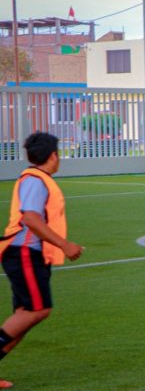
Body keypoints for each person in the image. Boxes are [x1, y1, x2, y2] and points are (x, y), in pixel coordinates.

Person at [0, 132, 84, 389]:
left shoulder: (39, 179)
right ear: (53, 155)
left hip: (32, 253)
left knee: (27, 313)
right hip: (24, 251)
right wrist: (64, 244)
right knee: (37, 310)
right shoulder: (35, 180)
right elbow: (31, 219)